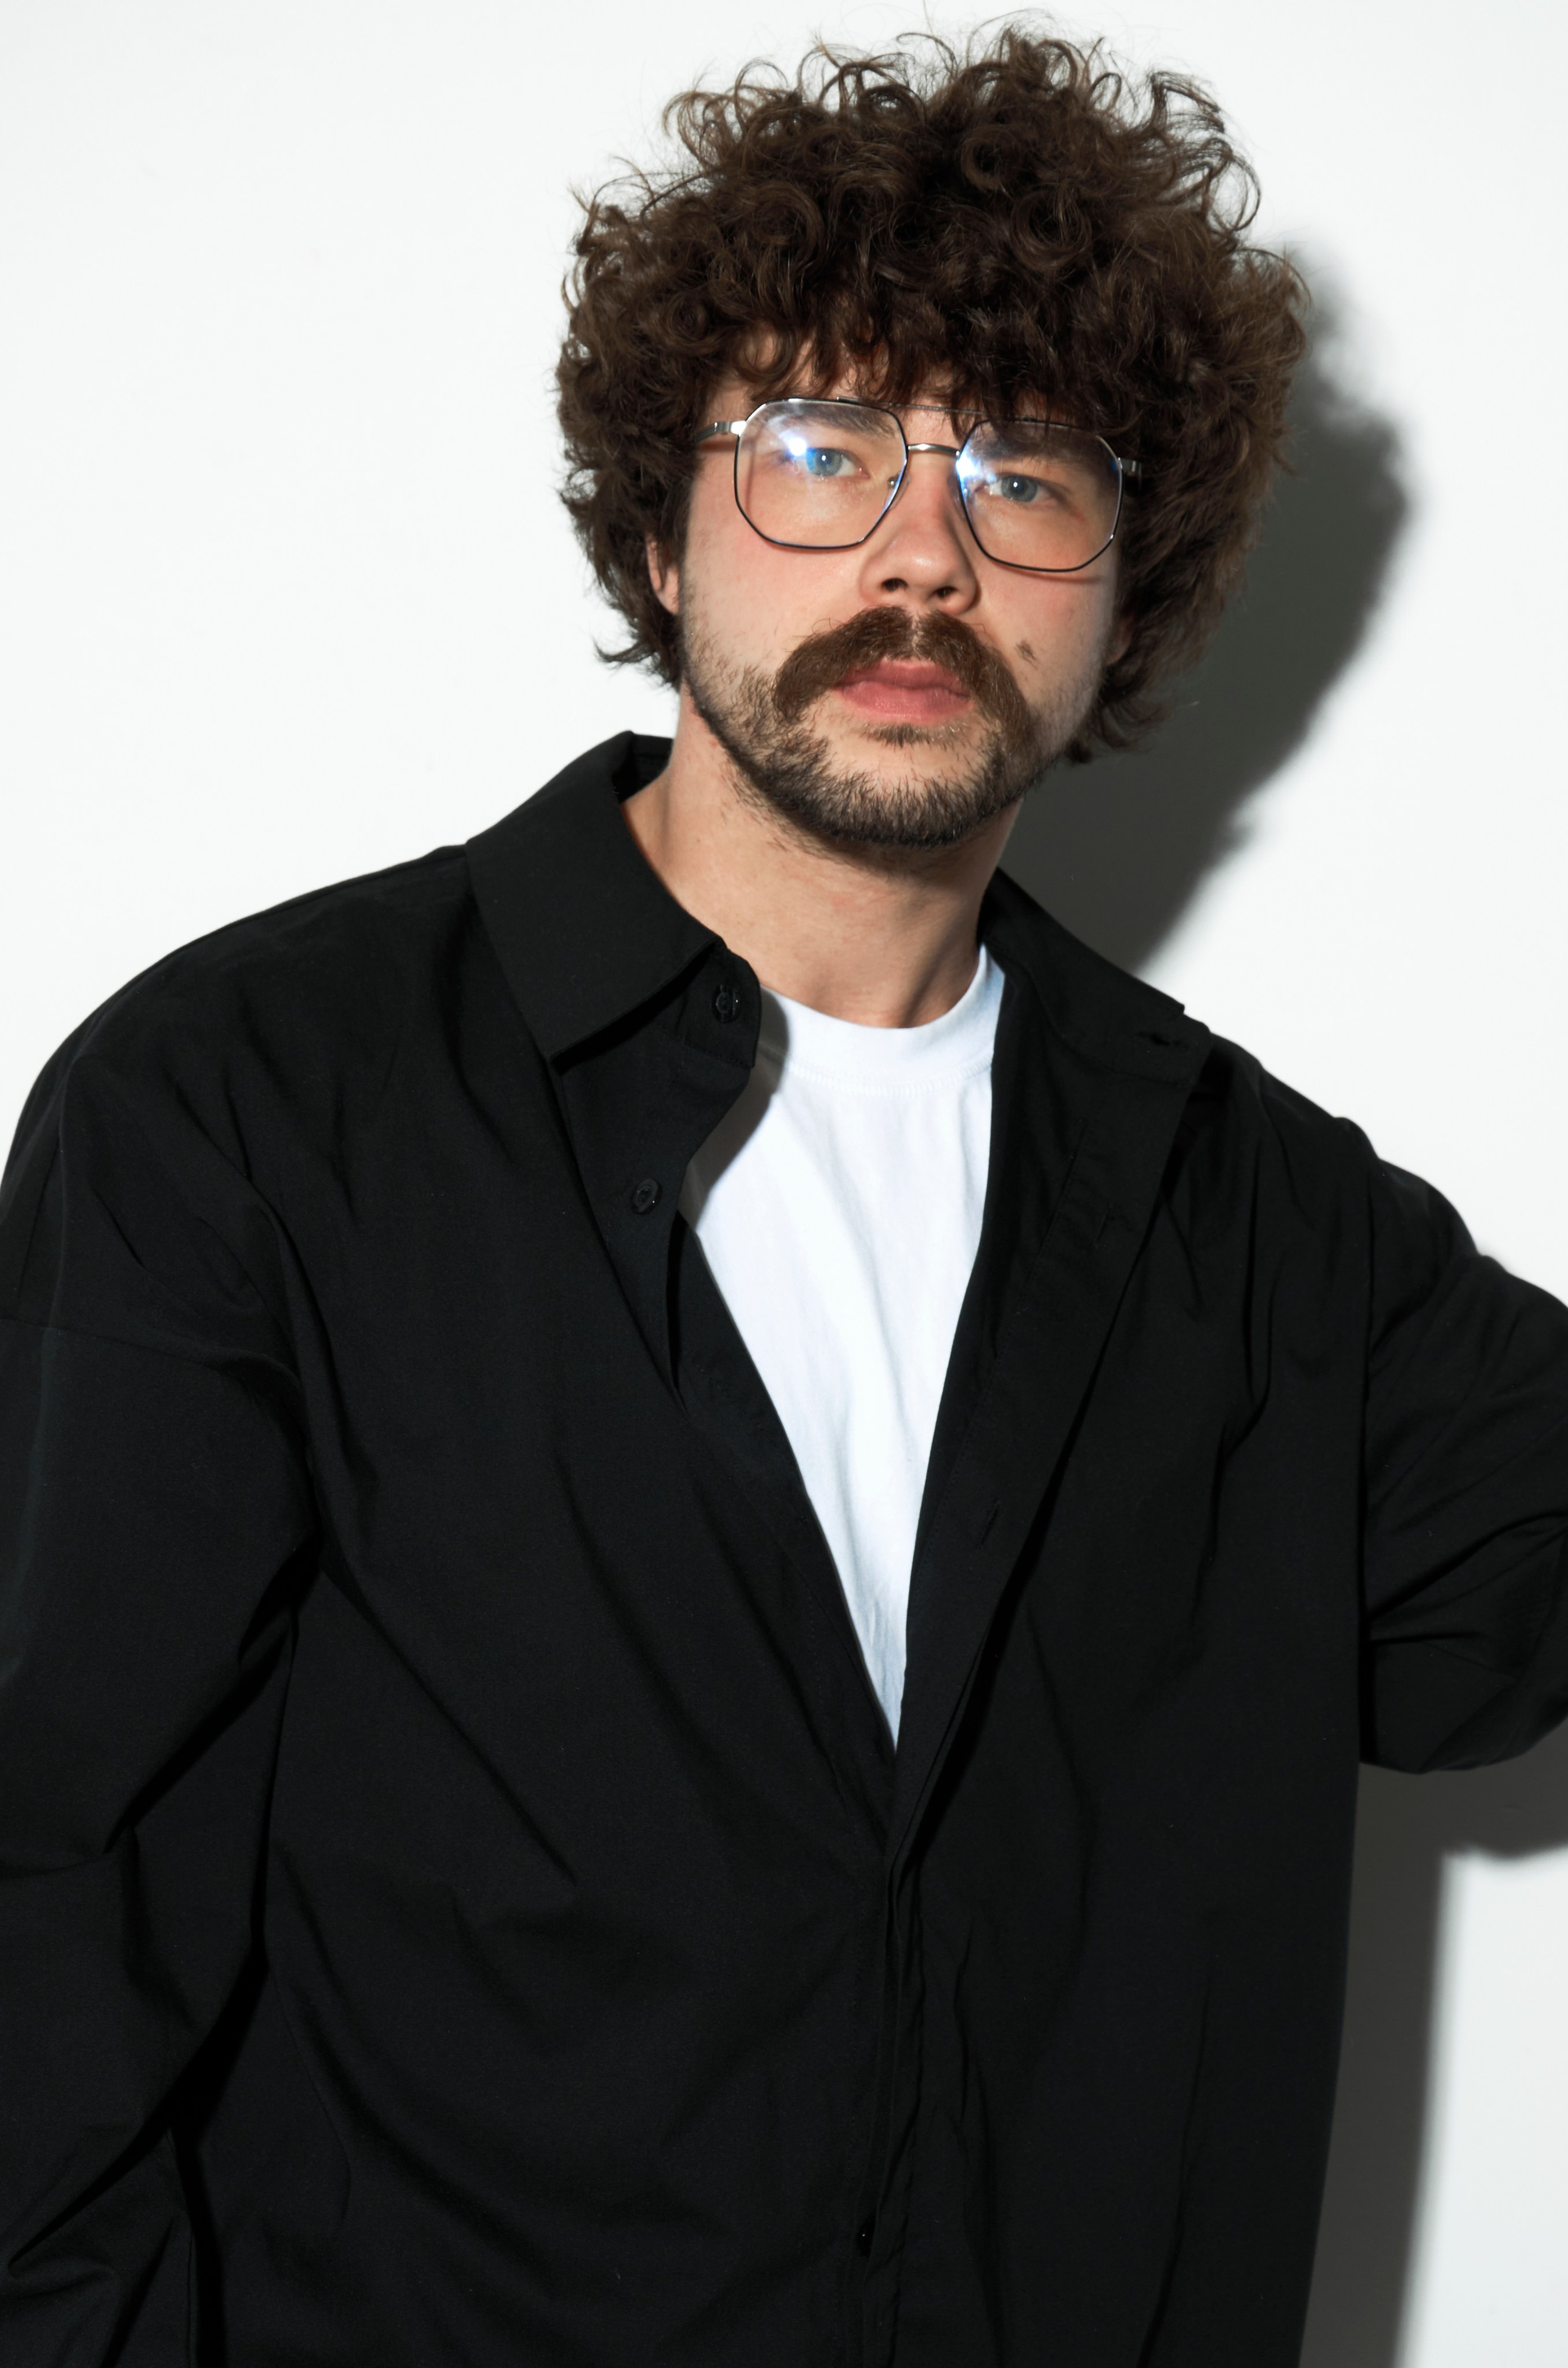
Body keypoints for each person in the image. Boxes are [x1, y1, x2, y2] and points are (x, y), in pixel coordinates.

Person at [2, 27, 1565, 2368]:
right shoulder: (243, 1108)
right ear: (662, 530)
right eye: (821, 447)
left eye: (1026, 472)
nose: (927, 550)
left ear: (1120, 589)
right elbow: (44, 1939)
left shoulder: (1258, 1227)